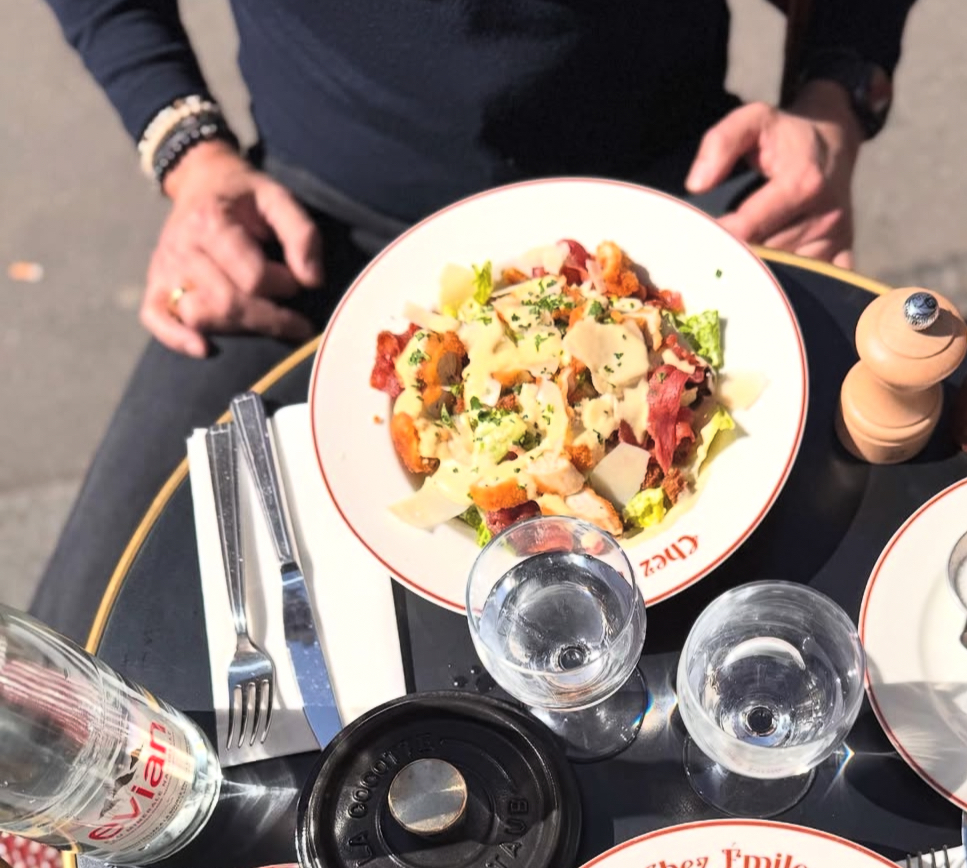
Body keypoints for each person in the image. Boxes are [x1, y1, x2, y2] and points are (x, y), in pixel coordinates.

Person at [34, 0, 915, 640]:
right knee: (63, 668)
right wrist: (189, 155)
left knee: (858, 601)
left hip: (670, 206)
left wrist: (833, 93)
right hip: (308, 223)